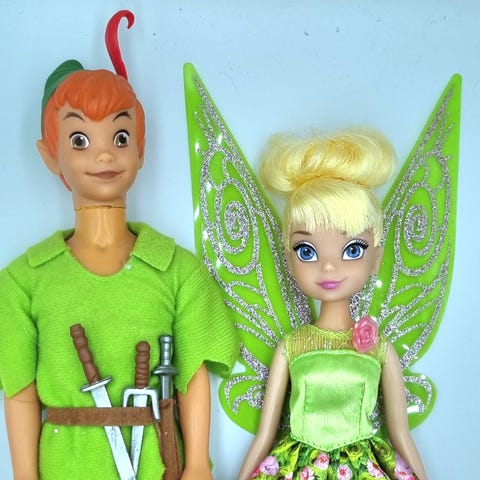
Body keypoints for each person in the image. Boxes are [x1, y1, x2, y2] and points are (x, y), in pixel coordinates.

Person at [0, 58, 238, 479]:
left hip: (155, 462)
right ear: (50, 154)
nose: (104, 154)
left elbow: (192, 376)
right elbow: (19, 390)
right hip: (66, 466)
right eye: (79, 140)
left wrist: (199, 465)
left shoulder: (178, 271)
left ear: (140, 149)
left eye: (121, 136)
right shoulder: (25, 280)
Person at [237, 129, 428, 480]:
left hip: (361, 466)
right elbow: (265, 434)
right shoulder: (293, 346)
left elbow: (400, 433)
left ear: (375, 258)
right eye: (306, 251)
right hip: (298, 466)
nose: (328, 267)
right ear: (288, 259)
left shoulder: (379, 349)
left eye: (352, 250)